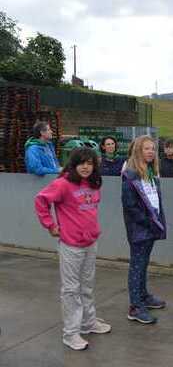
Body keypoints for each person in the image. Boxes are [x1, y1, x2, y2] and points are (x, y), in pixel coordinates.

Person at [34, 148, 111, 351]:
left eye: (90, 163)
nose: (86, 167)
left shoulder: (94, 184)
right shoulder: (63, 184)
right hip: (71, 245)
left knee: (87, 286)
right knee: (70, 290)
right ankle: (70, 333)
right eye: (81, 163)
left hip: (90, 243)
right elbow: (41, 200)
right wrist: (50, 225)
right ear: (73, 164)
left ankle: (88, 323)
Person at [122, 135, 167, 324]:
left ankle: (143, 296)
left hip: (150, 227)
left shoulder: (150, 172)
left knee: (143, 264)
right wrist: (148, 222)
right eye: (146, 148)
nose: (150, 152)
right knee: (137, 266)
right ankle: (135, 306)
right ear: (138, 151)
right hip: (140, 229)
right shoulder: (130, 174)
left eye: (152, 149)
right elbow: (130, 206)